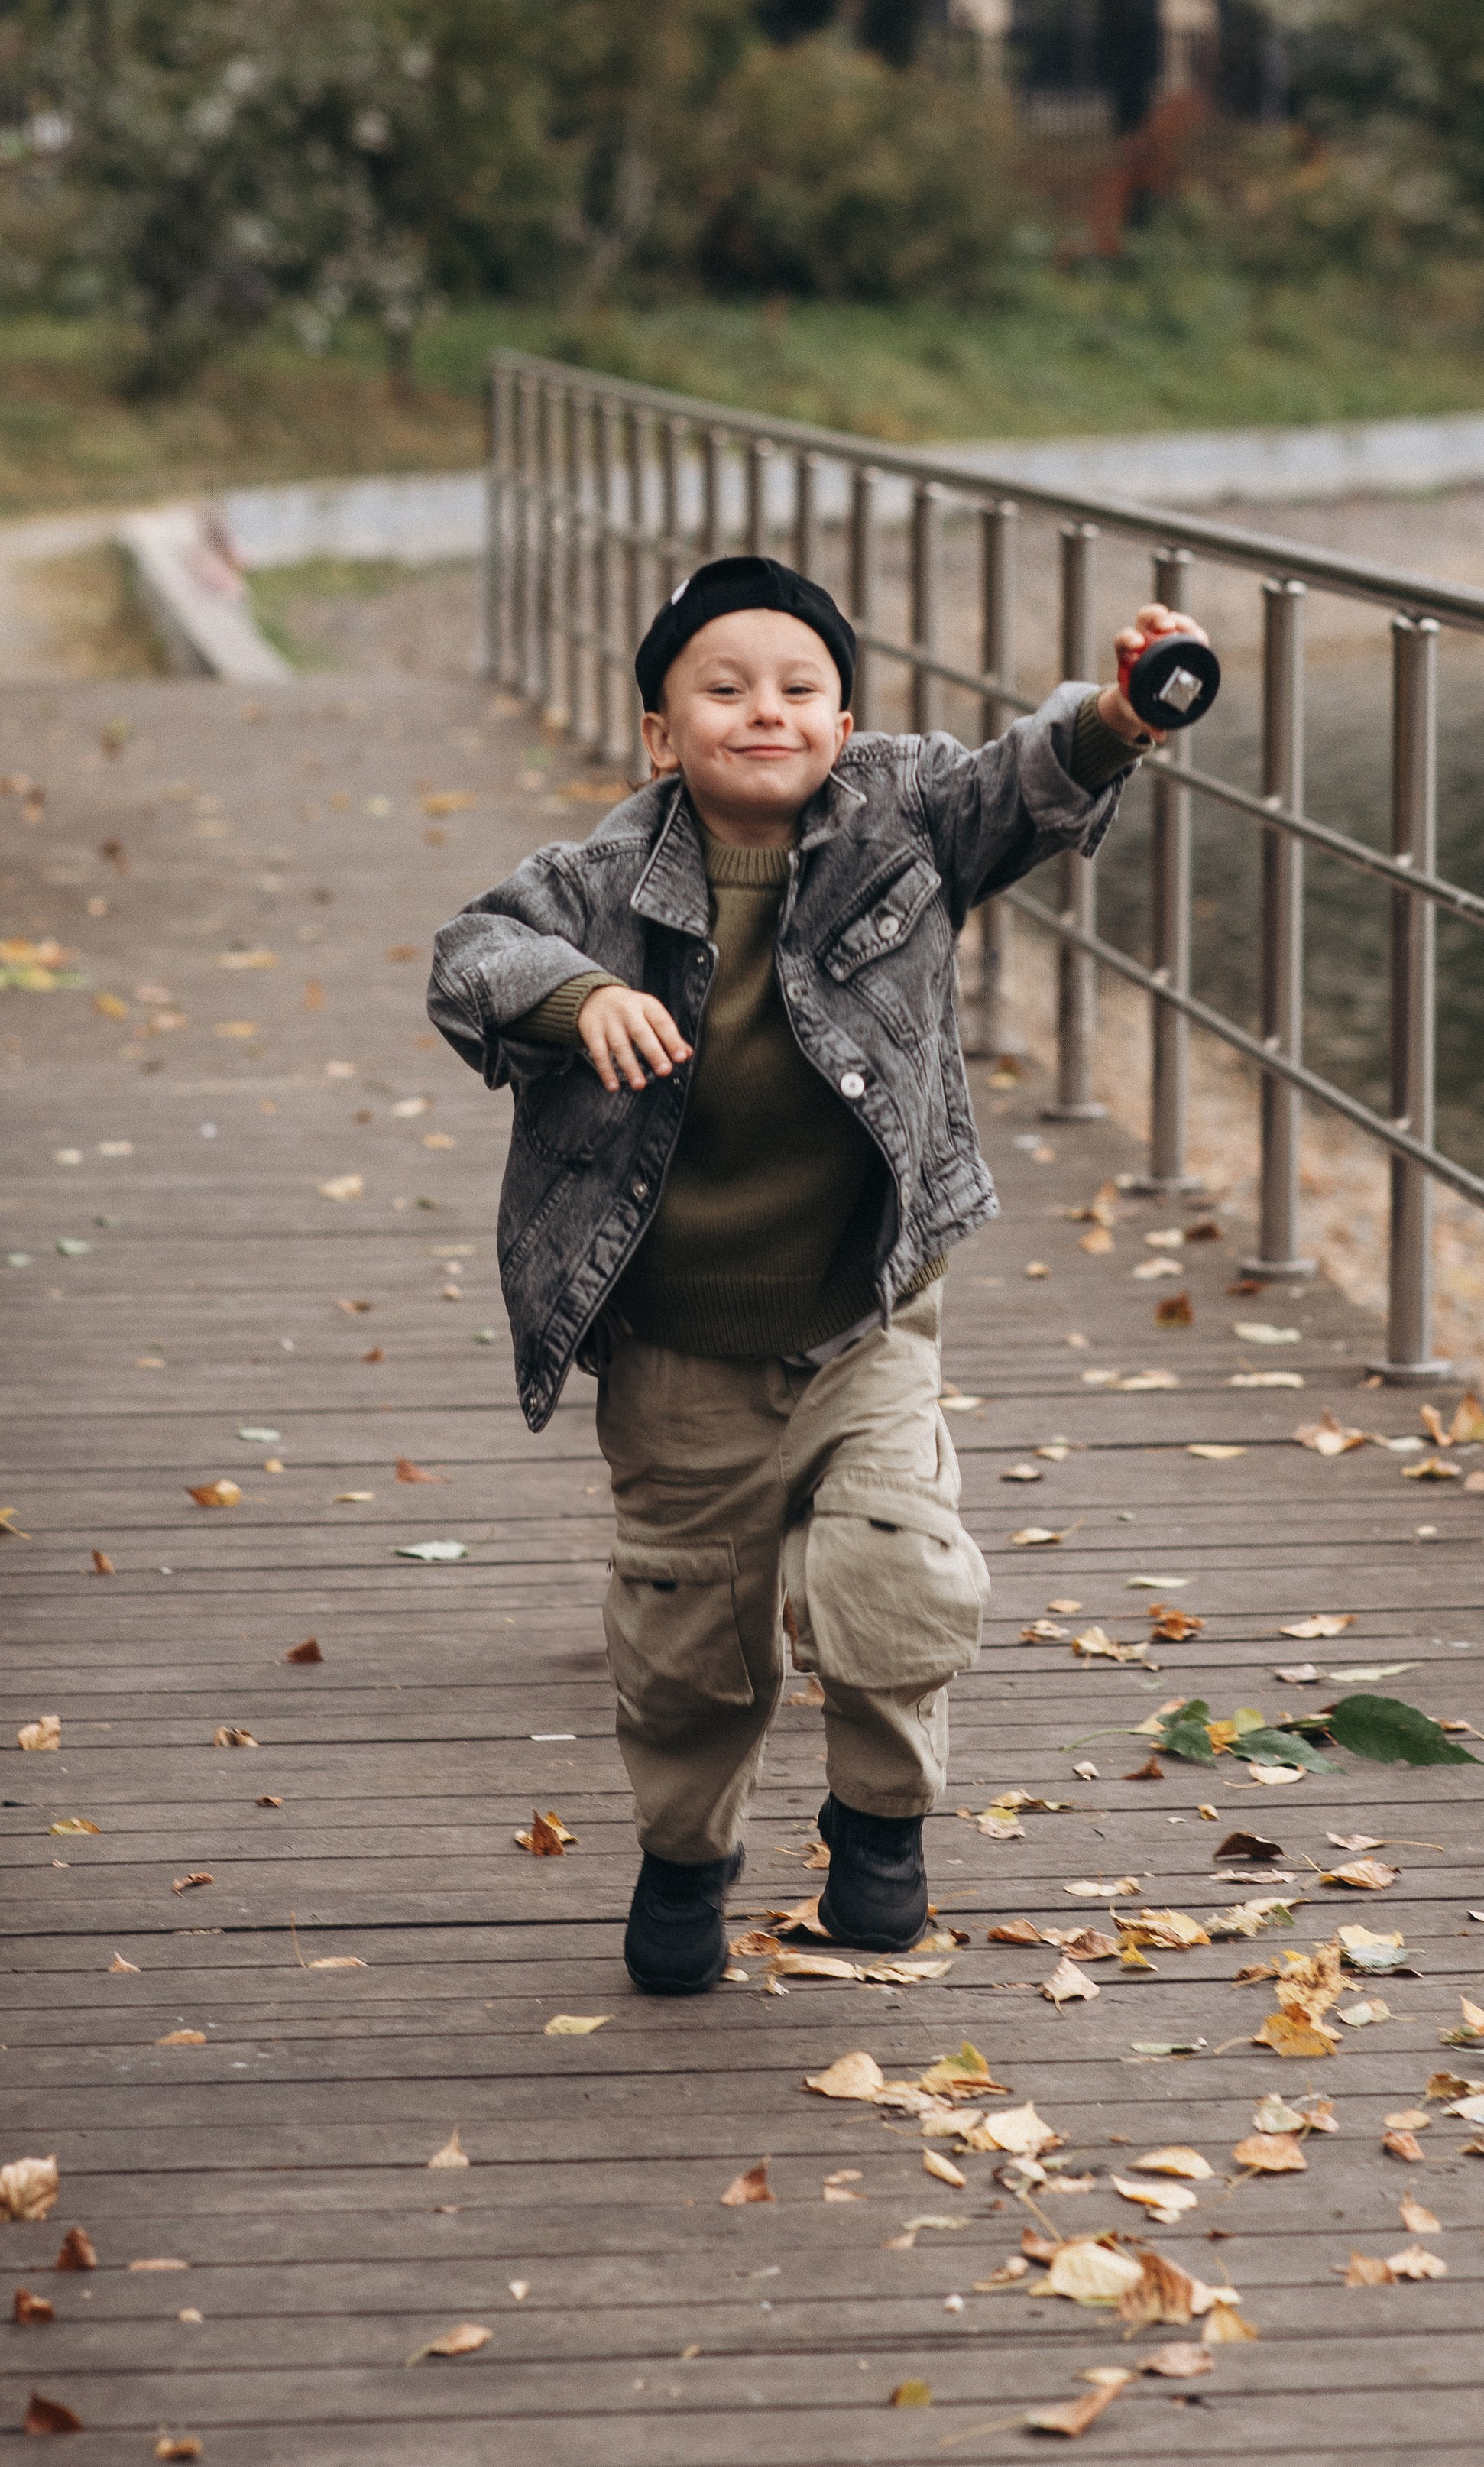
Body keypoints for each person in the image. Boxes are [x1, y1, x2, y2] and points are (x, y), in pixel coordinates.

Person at [428, 552, 1210, 1993]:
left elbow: (1028, 783)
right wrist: (578, 996)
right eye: (723, 689)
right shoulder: (597, 882)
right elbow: (468, 953)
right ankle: (686, 1855)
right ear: (661, 732)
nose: (765, 711)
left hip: (864, 1317)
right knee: (690, 1637)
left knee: (895, 1567)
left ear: (844, 725)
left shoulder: (903, 819)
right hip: (676, 1342)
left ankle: (880, 1824)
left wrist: (1120, 714)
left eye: (800, 687)